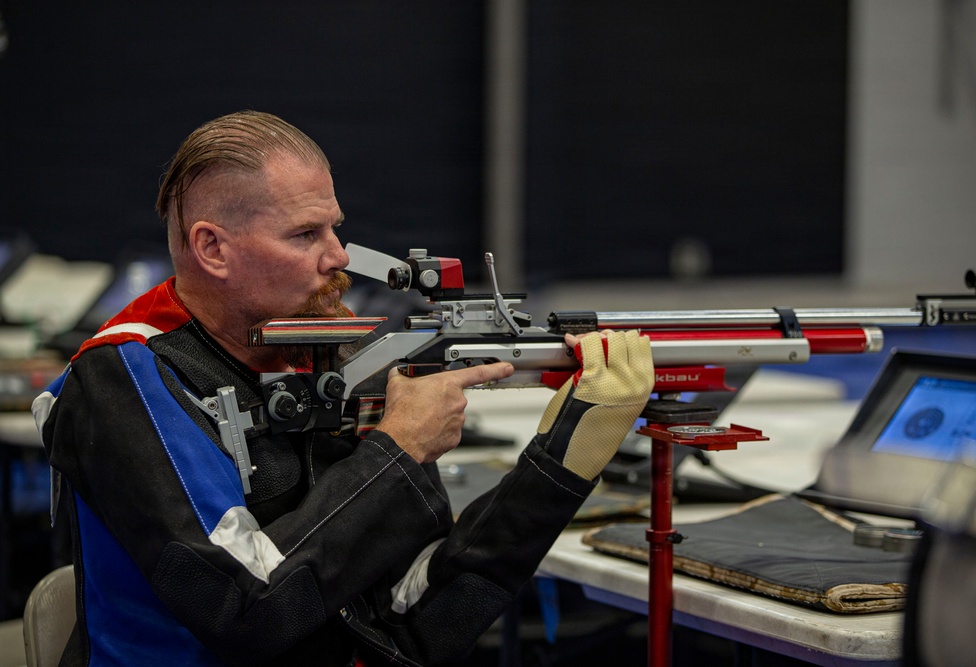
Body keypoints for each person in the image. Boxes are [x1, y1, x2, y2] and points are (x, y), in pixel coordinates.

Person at [32, 110, 654, 666]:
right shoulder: (125, 380)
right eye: (306, 235)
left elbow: (410, 621)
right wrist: (399, 451)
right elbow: (248, 612)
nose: (339, 257)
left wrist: (561, 463)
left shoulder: (325, 359)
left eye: (335, 229)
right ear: (213, 248)